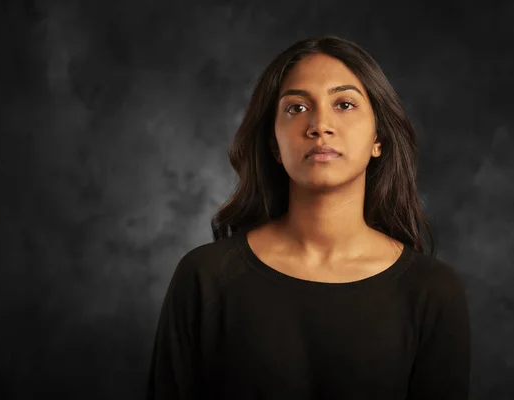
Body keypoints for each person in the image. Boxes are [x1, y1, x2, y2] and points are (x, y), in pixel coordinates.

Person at [146, 35, 471, 399]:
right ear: (274, 144)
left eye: (345, 104)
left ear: (378, 138)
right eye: (297, 108)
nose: (320, 125)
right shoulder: (204, 277)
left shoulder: (432, 290)